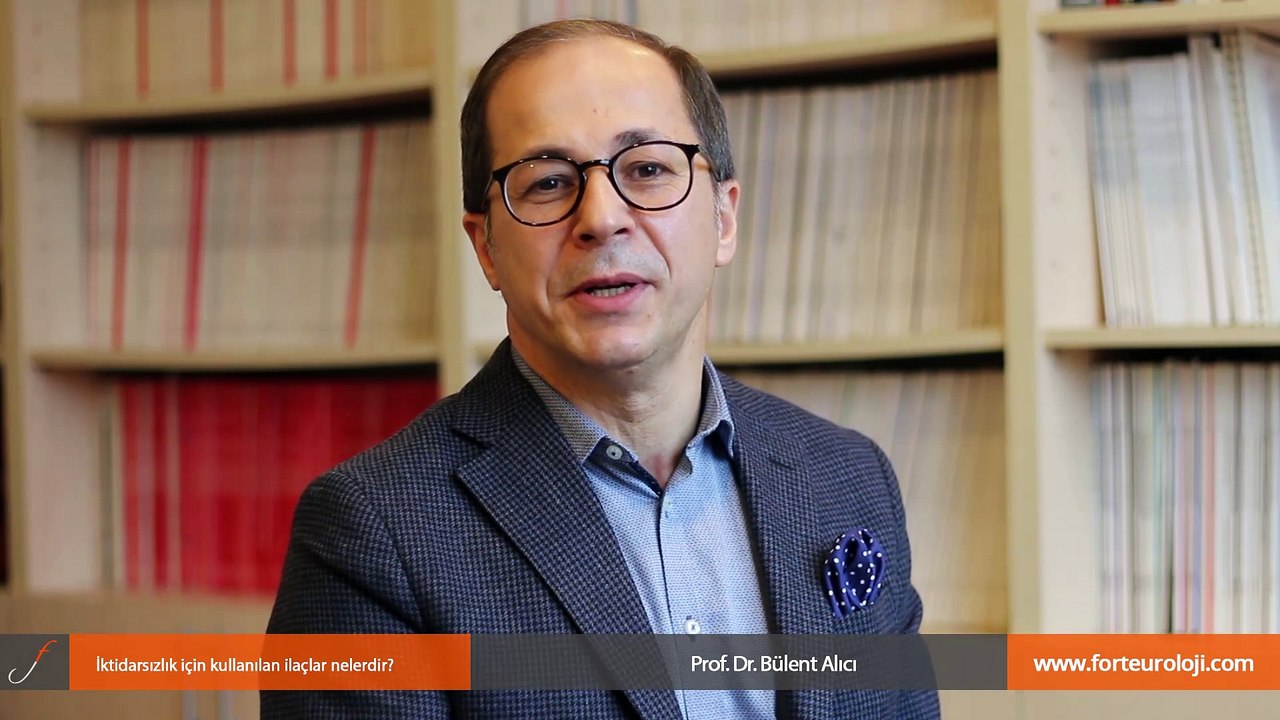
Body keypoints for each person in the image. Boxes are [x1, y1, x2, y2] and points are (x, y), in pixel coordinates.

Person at [263, 18, 938, 720]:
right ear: (487, 247)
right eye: (549, 182)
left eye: (646, 169)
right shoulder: (372, 534)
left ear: (724, 218)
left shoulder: (849, 478)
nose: (602, 219)